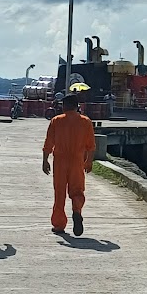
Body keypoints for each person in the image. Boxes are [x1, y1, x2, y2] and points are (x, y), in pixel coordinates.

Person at [43, 85, 98, 236]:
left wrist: (45, 160)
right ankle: (77, 211)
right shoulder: (85, 122)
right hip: (77, 161)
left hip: (60, 161)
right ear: (77, 106)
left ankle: (59, 224)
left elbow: (49, 143)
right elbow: (91, 146)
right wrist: (89, 161)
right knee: (77, 190)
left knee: (59, 193)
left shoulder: (56, 121)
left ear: (65, 106)